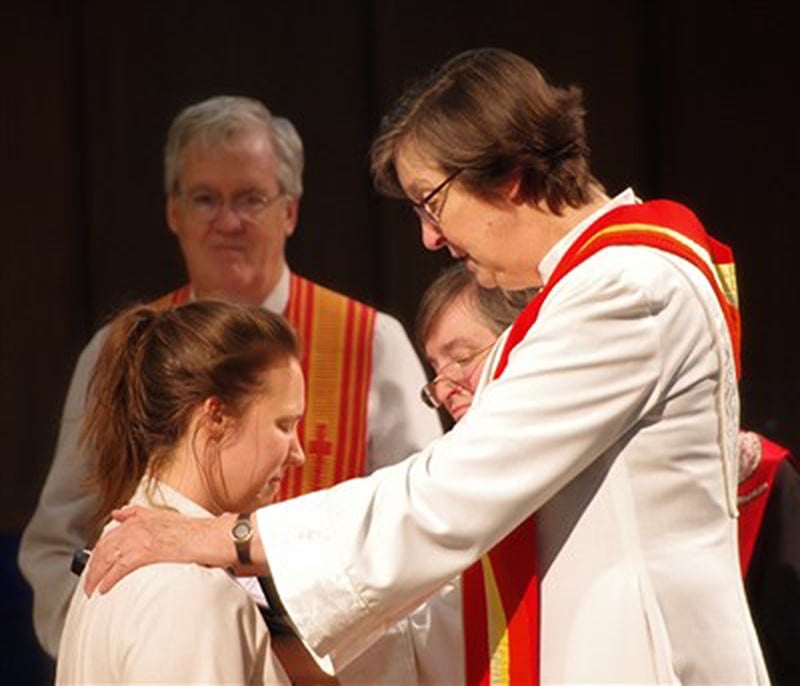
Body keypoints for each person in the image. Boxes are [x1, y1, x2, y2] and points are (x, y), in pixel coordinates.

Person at [84, 48, 769, 684]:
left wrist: (225, 538)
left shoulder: (627, 289)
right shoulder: (584, 295)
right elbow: (473, 580)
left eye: (431, 202)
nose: (430, 236)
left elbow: (450, 495)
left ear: (508, 174)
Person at [18, 95, 441, 668]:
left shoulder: (371, 341)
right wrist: (119, 647)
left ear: (289, 210)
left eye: (250, 198)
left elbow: (416, 527)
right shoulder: (123, 350)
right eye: (204, 199)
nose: (228, 222)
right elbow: (56, 543)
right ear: (173, 212)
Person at [57, 300, 306, 683]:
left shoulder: (114, 554)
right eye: (284, 425)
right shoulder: (192, 591)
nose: (298, 454)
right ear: (216, 417)